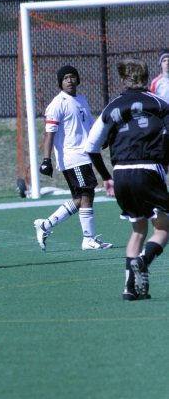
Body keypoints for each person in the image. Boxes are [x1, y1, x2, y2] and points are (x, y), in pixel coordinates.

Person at [85, 57, 169, 301]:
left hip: (121, 173)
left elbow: (91, 148)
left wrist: (106, 177)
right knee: (163, 228)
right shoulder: (160, 104)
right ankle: (144, 261)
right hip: (149, 169)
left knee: (138, 230)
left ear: (123, 81)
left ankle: (129, 288)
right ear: (145, 79)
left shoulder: (112, 107)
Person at [34, 64, 114, 251]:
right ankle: (88, 239)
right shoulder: (57, 104)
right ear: (60, 83)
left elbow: (90, 125)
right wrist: (46, 160)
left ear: (77, 79)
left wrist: (100, 138)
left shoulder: (81, 100)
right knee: (86, 193)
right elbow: (49, 133)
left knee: (82, 197)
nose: (69, 80)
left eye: (72, 77)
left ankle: (45, 225)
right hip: (72, 156)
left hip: (85, 155)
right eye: (65, 78)